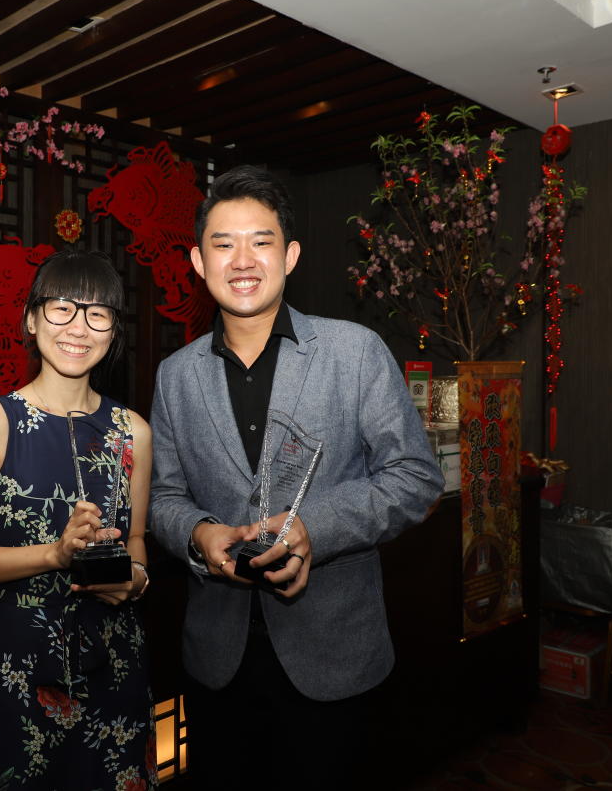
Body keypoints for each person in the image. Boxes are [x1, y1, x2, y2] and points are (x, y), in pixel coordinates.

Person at [148, 165, 443, 788]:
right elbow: (163, 495)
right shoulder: (176, 375)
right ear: (198, 262)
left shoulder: (353, 351)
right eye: (223, 244)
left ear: (292, 254)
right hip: (216, 658)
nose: (243, 259)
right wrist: (198, 534)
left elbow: (415, 476)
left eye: (262, 241)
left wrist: (316, 528)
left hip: (334, 650)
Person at [0, 248, 158, 791]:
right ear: (31, 319)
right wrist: (53, 555)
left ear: (112, 332)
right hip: (14, 672)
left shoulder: (133, 433)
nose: (79, 326)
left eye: (98, 313)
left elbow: (139, 539)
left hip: (113, 671)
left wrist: (136, 580)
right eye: (61, 308)